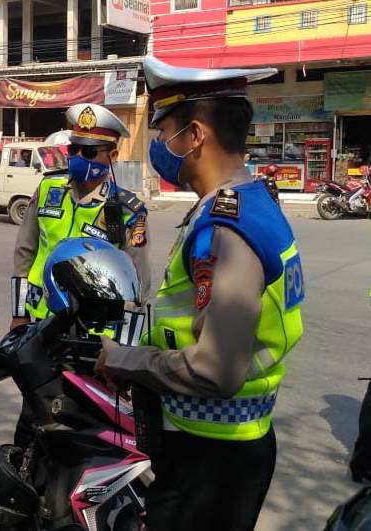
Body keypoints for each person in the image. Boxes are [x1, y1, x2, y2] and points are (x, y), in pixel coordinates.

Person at [96, 56, 305, 531]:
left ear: (193, 136)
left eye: (162, 130)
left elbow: (216, 369)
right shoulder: (248, 203)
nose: (157, 145)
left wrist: (124, 361)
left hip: (212, 456)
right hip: (227, 442)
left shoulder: (227, 228)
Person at [10, 103, 151, 446]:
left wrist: (124, 353)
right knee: (33, 420)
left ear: (112, 156)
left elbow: (138, 287)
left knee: (83, 427)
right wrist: (18, 316)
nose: (77, 156)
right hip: (40, 328)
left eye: (88, 151)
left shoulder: (125, 211)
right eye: (73, 148)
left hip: (92, 338)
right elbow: (25, 255)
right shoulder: (48, 190)